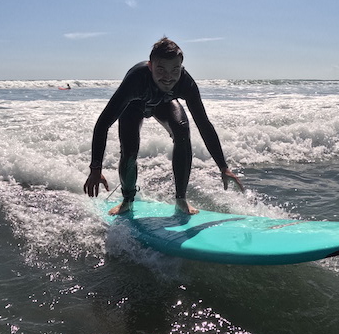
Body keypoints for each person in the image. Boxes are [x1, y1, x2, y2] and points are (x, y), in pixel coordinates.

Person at [84, 37, 243, 215]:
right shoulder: (135, 80)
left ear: (181, 67)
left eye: (175, 70)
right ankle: (127, 201)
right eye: (161, 70)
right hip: (134, 106)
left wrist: (223, 167)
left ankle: (181, 200)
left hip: (164, 103)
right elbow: (103, 124)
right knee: (129, 150)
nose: (168, 77)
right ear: (150, 66)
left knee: (182, 131)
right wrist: (95, 169)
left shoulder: (186, 83)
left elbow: (204, 124)